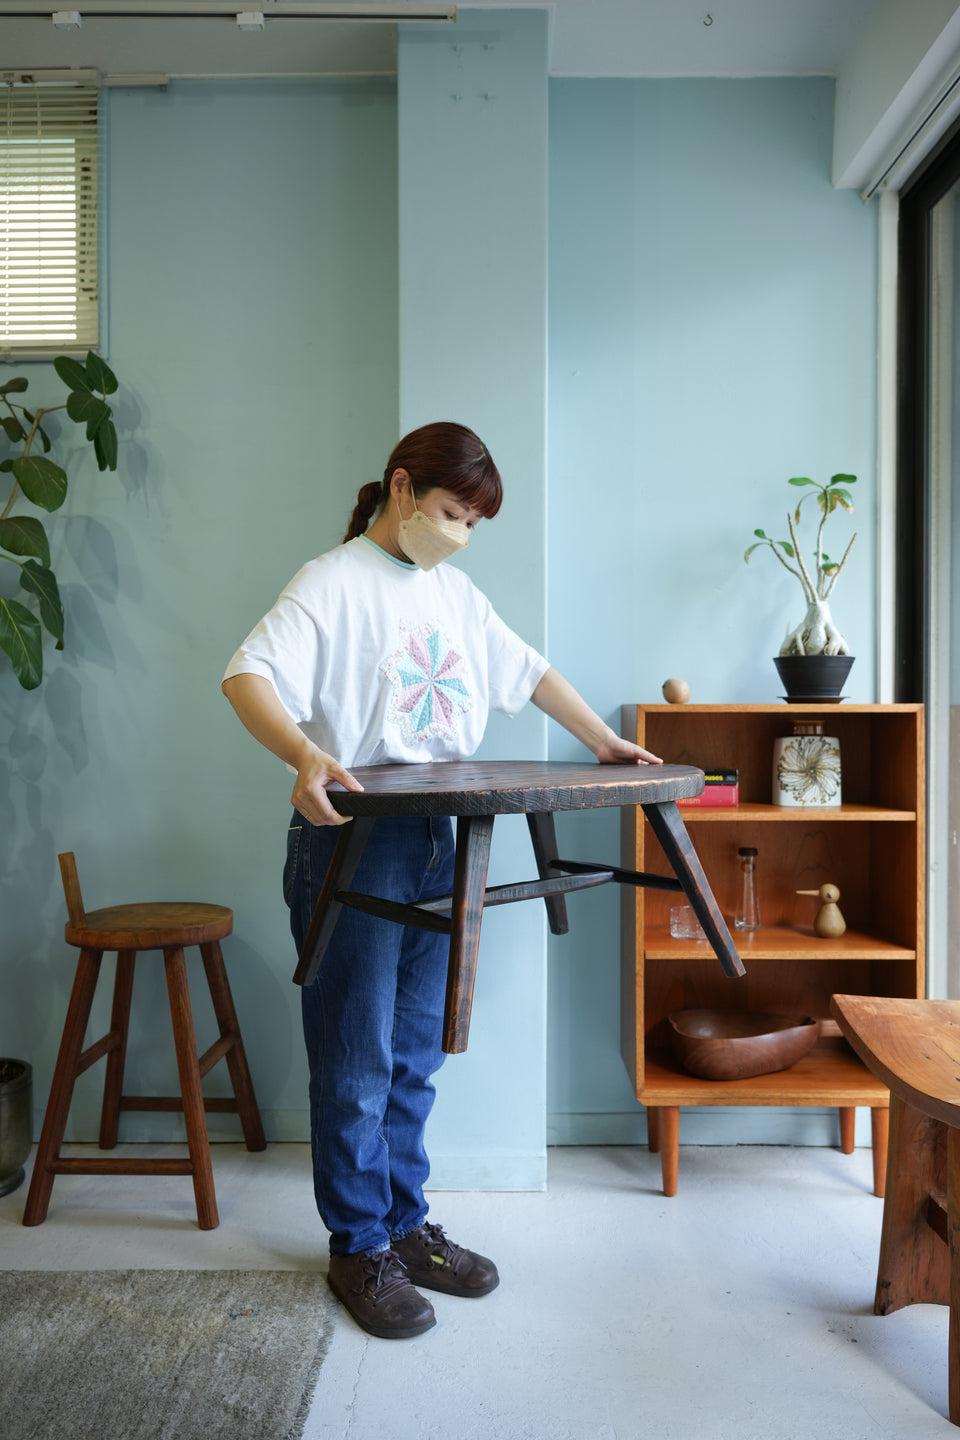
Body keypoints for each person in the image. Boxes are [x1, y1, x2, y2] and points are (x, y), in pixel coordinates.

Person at [222, 421, 661, 1341]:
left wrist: (601, 741)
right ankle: (358, 1246)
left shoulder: (453, 592)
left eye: (473, 522)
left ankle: (407, 1225)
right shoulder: (330, 582)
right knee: (355, 1055)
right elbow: (247, 676)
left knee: (417, 1047)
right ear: (402, 488)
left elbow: (527, 670)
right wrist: (304, 754)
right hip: (354, 837)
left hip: (442, 834)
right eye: (453, 512)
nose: (460, 532)